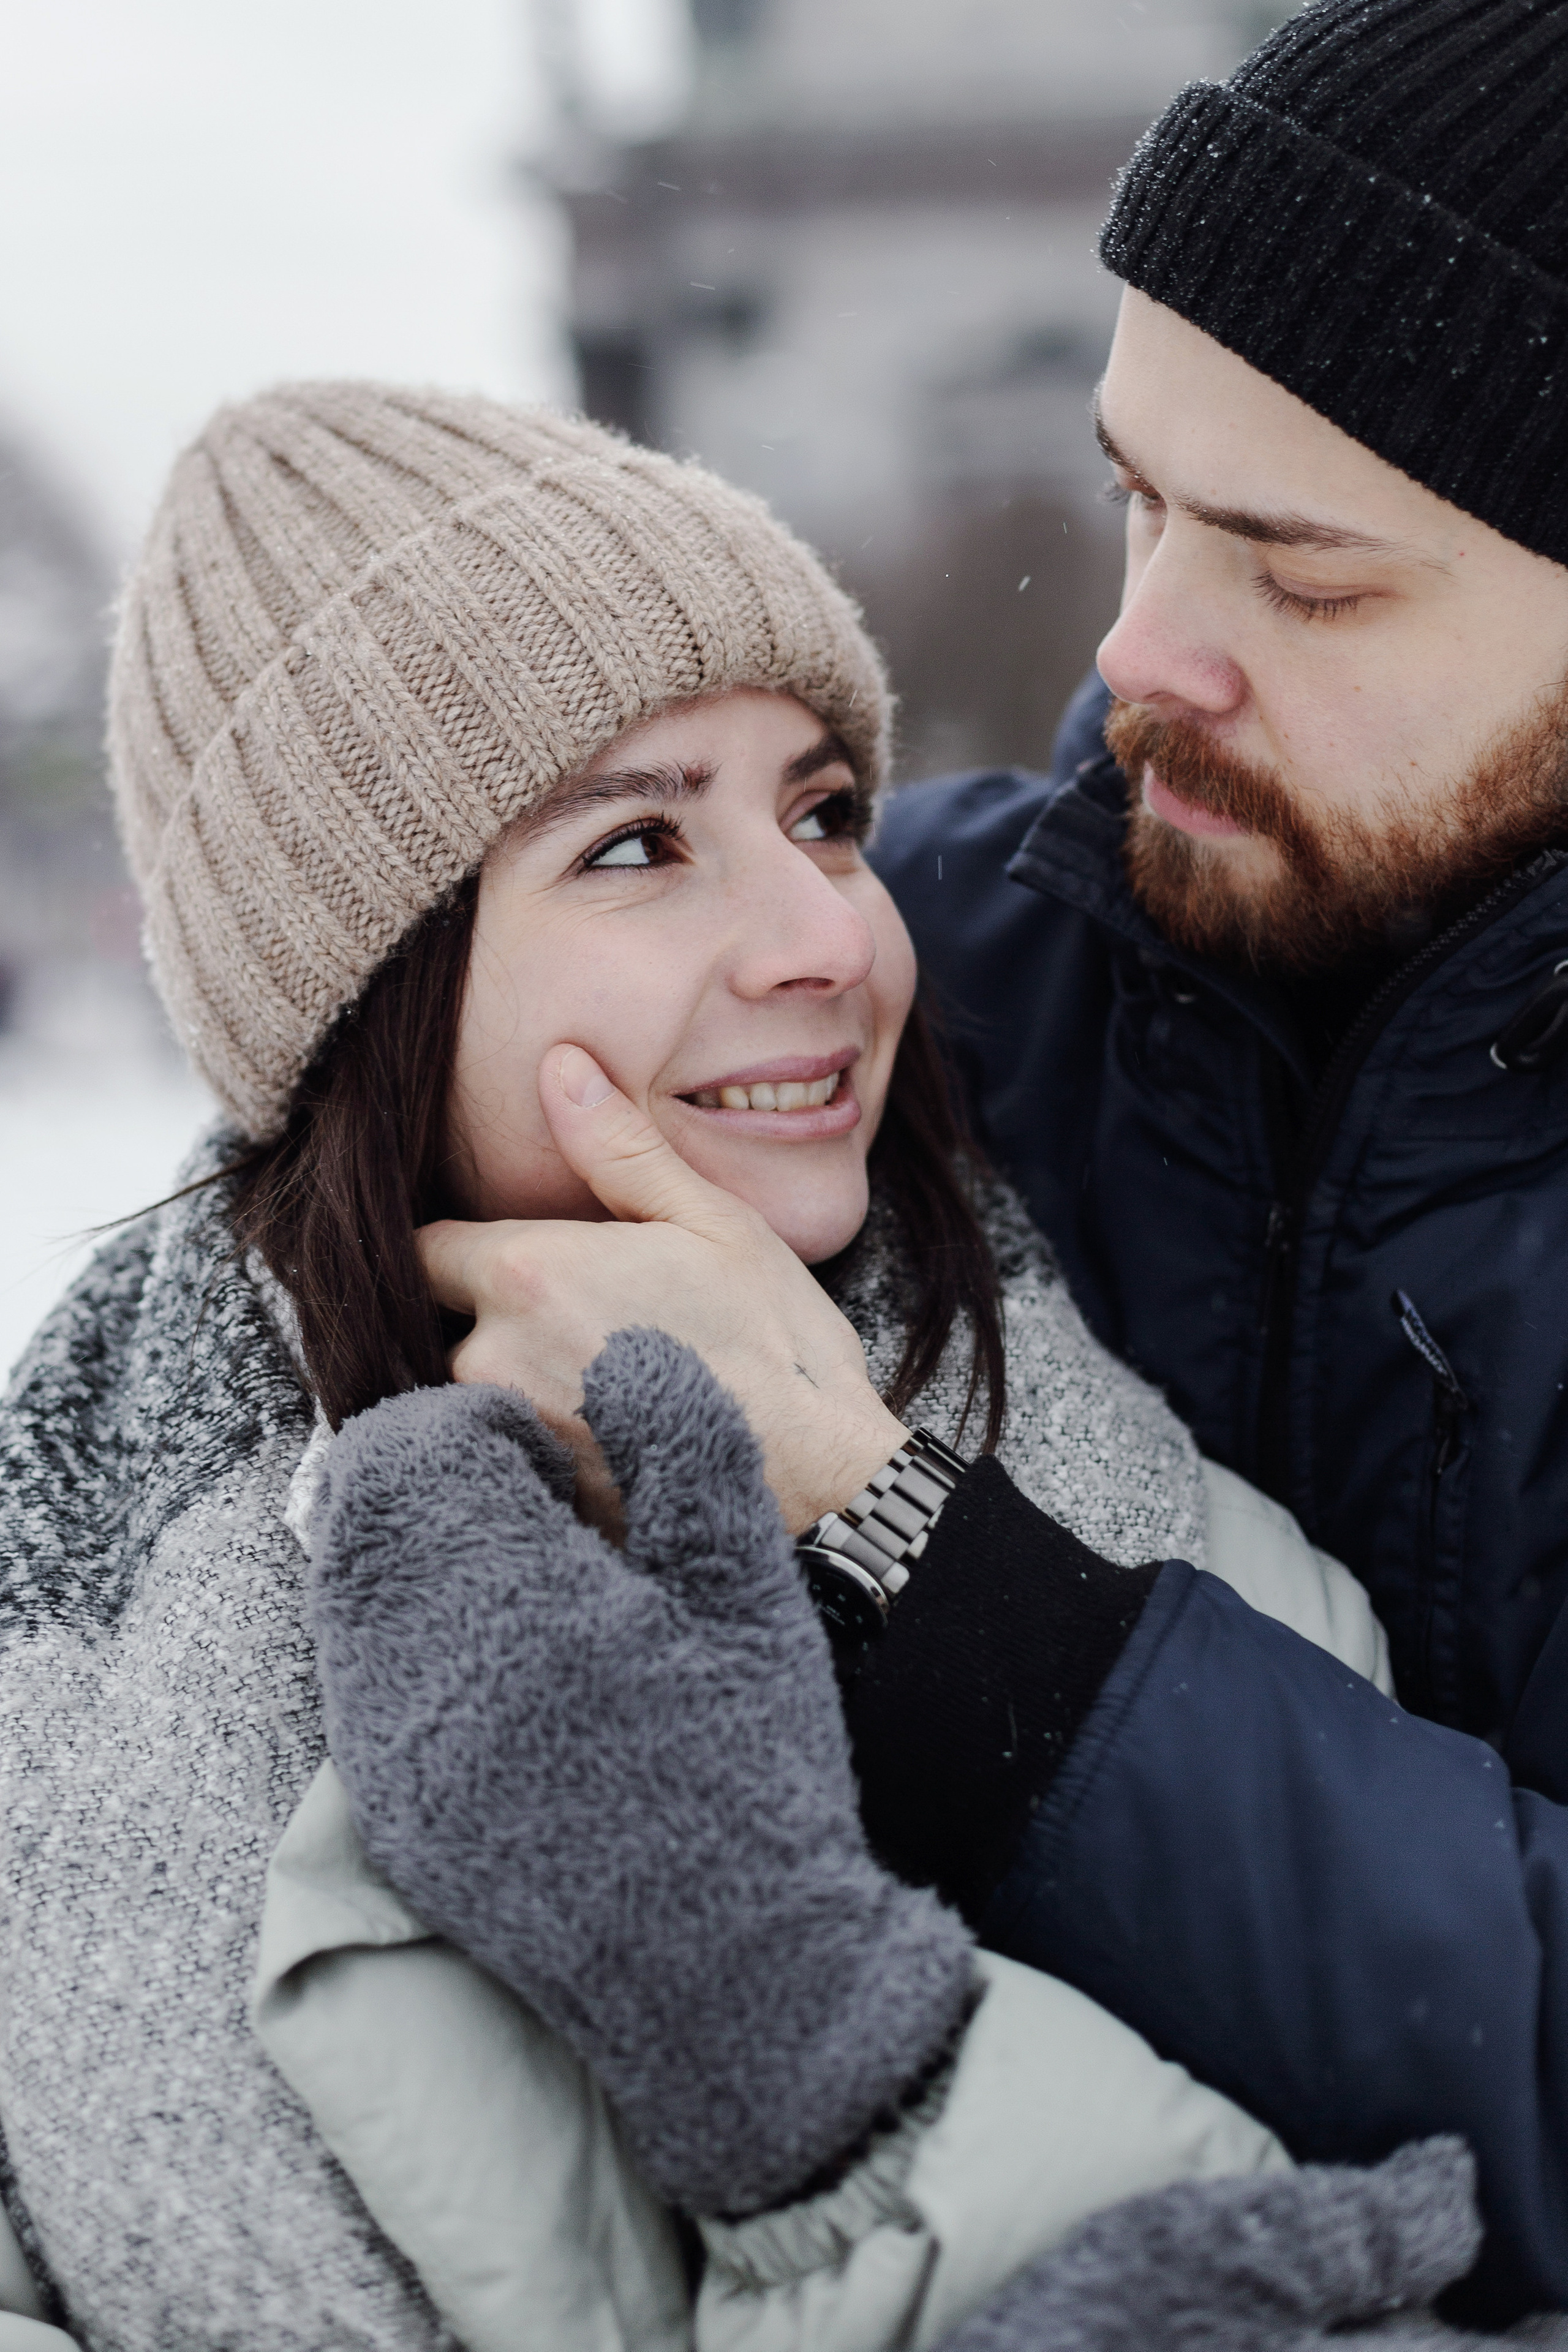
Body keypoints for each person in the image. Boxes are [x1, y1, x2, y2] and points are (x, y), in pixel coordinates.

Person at [6, 379, 1483, 2352]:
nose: (830, 938)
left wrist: (810, 2065)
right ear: (366, 991)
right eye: (637, 844)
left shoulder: (1157, 1548)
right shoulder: (78, 1626)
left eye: (824, 813)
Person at [867, 0, 1568, 2328]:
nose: (1139, 646)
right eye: (1140, 499)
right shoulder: (883, 983)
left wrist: (983, 1636)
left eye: (1308, 575)